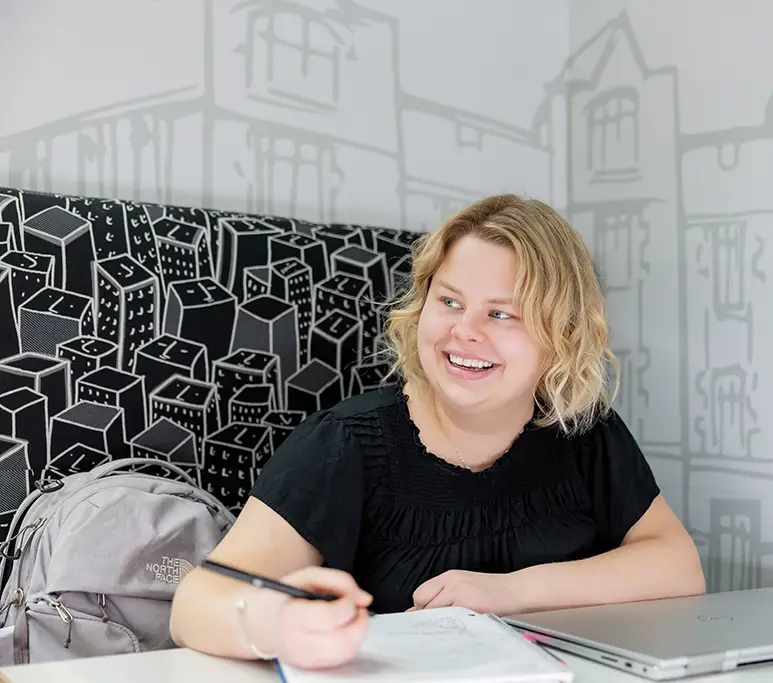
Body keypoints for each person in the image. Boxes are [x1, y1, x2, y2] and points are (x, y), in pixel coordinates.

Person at [169, 194, 706, 670]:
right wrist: (276, 624)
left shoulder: (585, 432)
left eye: (501, 314)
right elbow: (196, 606)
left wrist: (511, 591)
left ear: (560, 335)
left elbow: (677, 566)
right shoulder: (344, 445)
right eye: (449, 301)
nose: (463, 332)